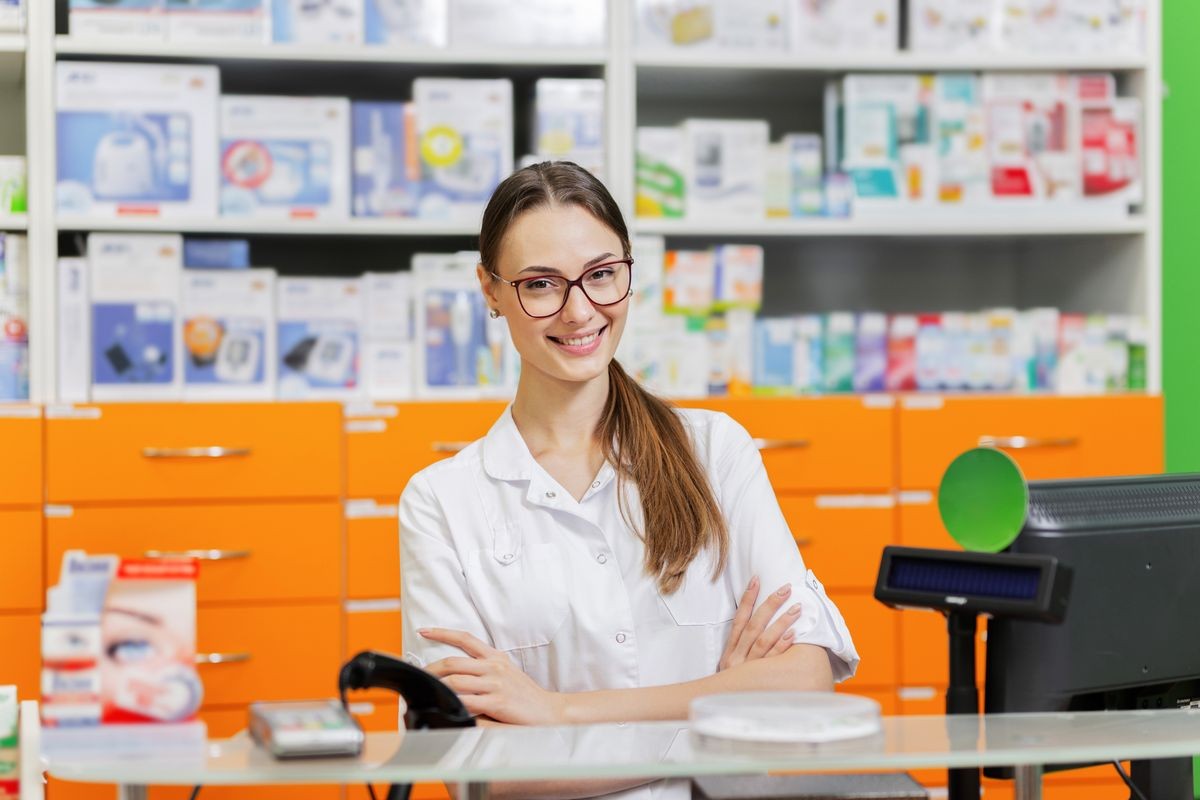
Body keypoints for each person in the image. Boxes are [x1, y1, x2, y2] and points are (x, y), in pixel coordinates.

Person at [399, 161, 859, 799]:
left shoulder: (713, 452)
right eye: (540, 284)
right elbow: (475, 772)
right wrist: (717, 725)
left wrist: (555, 712)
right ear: (491, 290)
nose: (580, 310)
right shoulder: (441, 501)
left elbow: (806, 676)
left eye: (602, 275)